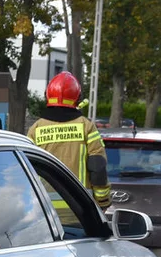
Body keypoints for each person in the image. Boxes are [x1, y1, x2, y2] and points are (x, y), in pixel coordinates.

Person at [27, 71, 111, 211]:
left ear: (48, 96)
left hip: (45, 212)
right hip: (81, 210)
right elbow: (98, 166)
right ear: (77, 98)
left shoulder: (35, 129)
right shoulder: (86, 126)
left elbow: (26, 168)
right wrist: (102, 201)